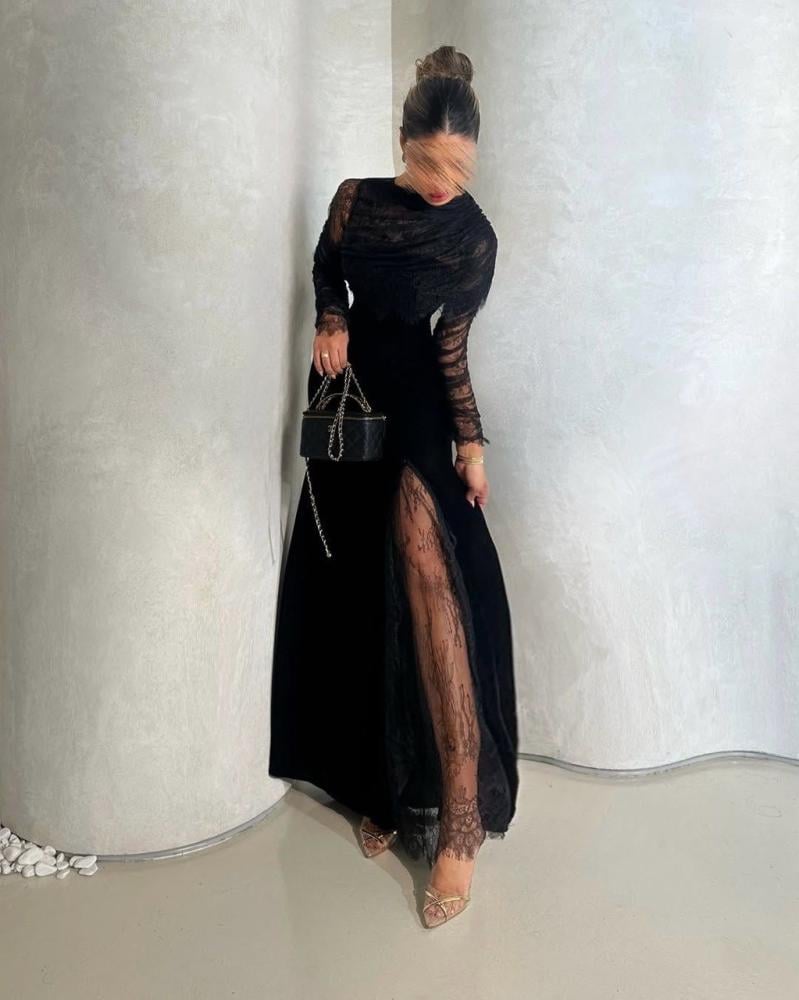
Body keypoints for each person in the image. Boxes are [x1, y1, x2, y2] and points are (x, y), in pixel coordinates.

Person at [269, 45, 519, 928]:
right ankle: (376, 785)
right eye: (430, 163)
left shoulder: (474, 239)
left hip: (414, 399)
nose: (445, 184)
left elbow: (450, 349)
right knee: (353, 586)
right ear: (402, 142)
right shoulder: (356, 199)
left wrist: (471, 448)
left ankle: (460, 820)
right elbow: (325, 267)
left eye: (461, 169)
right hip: (347, 401)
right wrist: (331, 317)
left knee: (426, 567)